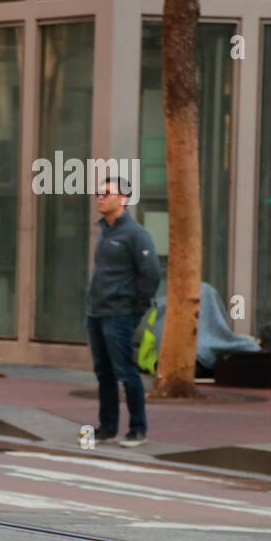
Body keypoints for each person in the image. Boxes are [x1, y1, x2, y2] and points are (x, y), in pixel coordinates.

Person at [86, 177, 161, 448]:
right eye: (98, 193)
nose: (100, 198)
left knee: (126, 372)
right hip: (97, 312)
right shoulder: (104, 230)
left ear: (124, 199)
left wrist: (136, 309)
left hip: (120, 314)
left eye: (106, 193)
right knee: (103, 372)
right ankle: (106, 428)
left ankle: (138, 429)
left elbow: (151, 274)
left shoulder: (135, 234)